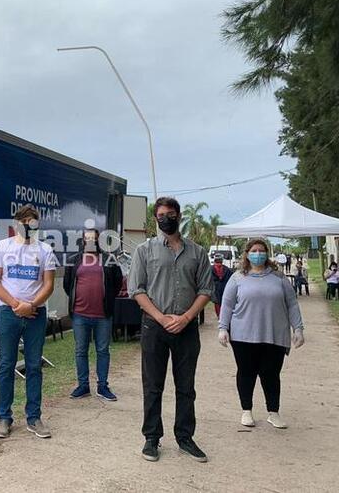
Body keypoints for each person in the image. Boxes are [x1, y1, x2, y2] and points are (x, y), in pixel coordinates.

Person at [128, 197, 212, 463]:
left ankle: (185, 438)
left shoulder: (197, 252)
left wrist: (187, 317)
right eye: (162, 214)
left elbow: (206, 290)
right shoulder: (144, 251)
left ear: (179, 216)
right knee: (153, 385)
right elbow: (137, 290)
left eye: (171, 213)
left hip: (186, 328)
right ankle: (152, 438)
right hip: (155, 326)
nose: (167, 218)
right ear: (156, 218)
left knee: (186, 386)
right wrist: (161, 318)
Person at [218, 238, 305, 429]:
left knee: (271, 374)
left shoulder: (278, 277)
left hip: (274, 334)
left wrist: (298, 328)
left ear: (267, 253)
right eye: (254, 250)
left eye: (261, 250)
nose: (258, 254)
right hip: (243, 335)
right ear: (247, 254)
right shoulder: (237, 277)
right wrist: (223, 328)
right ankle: (246, 411)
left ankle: (273, 412)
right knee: (246, 372)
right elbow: (227, 304)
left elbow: (292, 304)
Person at [0, 204, 56, 439]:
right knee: (6, 365)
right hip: (8, 313)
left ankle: (34, 417)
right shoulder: (2, 247)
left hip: (36, 315)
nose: (28, 225)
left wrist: (32, 305)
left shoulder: (45, 250)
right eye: (24, 221)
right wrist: (17, 305)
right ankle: (4, 418)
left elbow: (49, 284)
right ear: (16, 223)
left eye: (33, 221)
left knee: (34, 365)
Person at [62, 228, 123, 401]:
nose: (90, 241)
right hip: (80, 315)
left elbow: (117, 283)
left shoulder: (109, 260)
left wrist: (107, 298)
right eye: (87, 238)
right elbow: (68, 285)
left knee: (102, 350)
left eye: (93, 238)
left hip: (103, 315)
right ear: (82, 241)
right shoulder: (74, 260)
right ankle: (83, 386)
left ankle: (102, 386)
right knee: (81, 351)